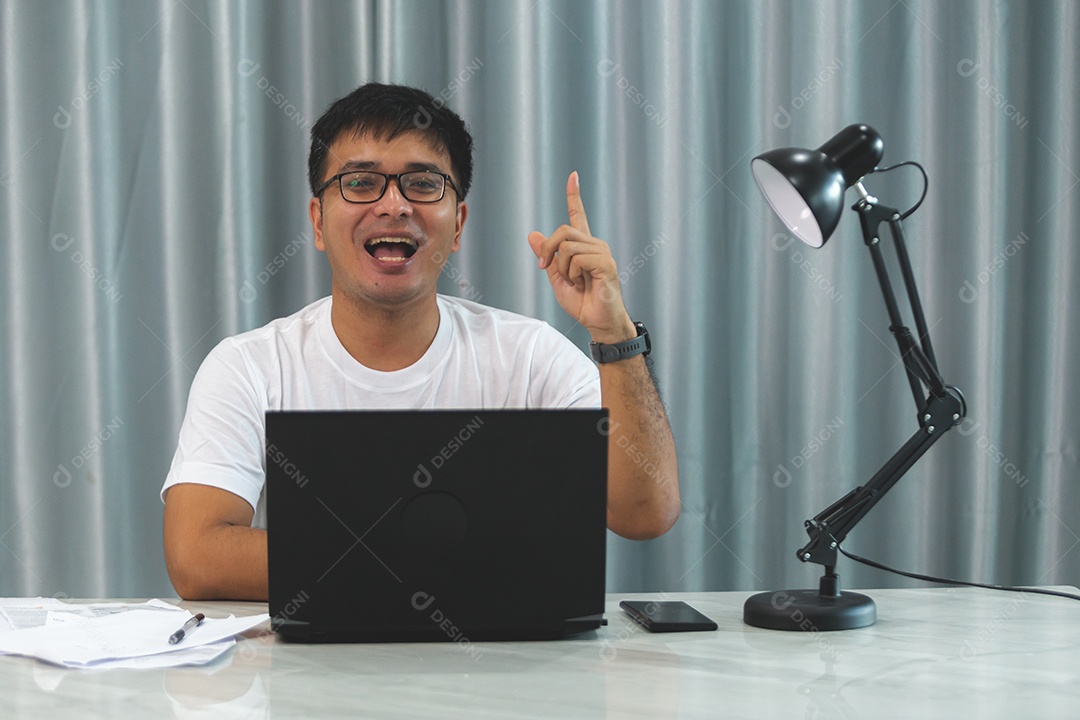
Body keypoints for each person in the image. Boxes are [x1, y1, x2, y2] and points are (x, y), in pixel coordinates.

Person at [162, 83, 679, 601]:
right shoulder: (250, 365)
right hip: (309, 672)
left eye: (423, 183)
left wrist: (615, 334)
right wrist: (441, 560)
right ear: (318, 222)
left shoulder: (530, 356)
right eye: (360, 182)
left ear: (458, 224)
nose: (393, 205)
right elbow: (197, 558)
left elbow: (645, 512)